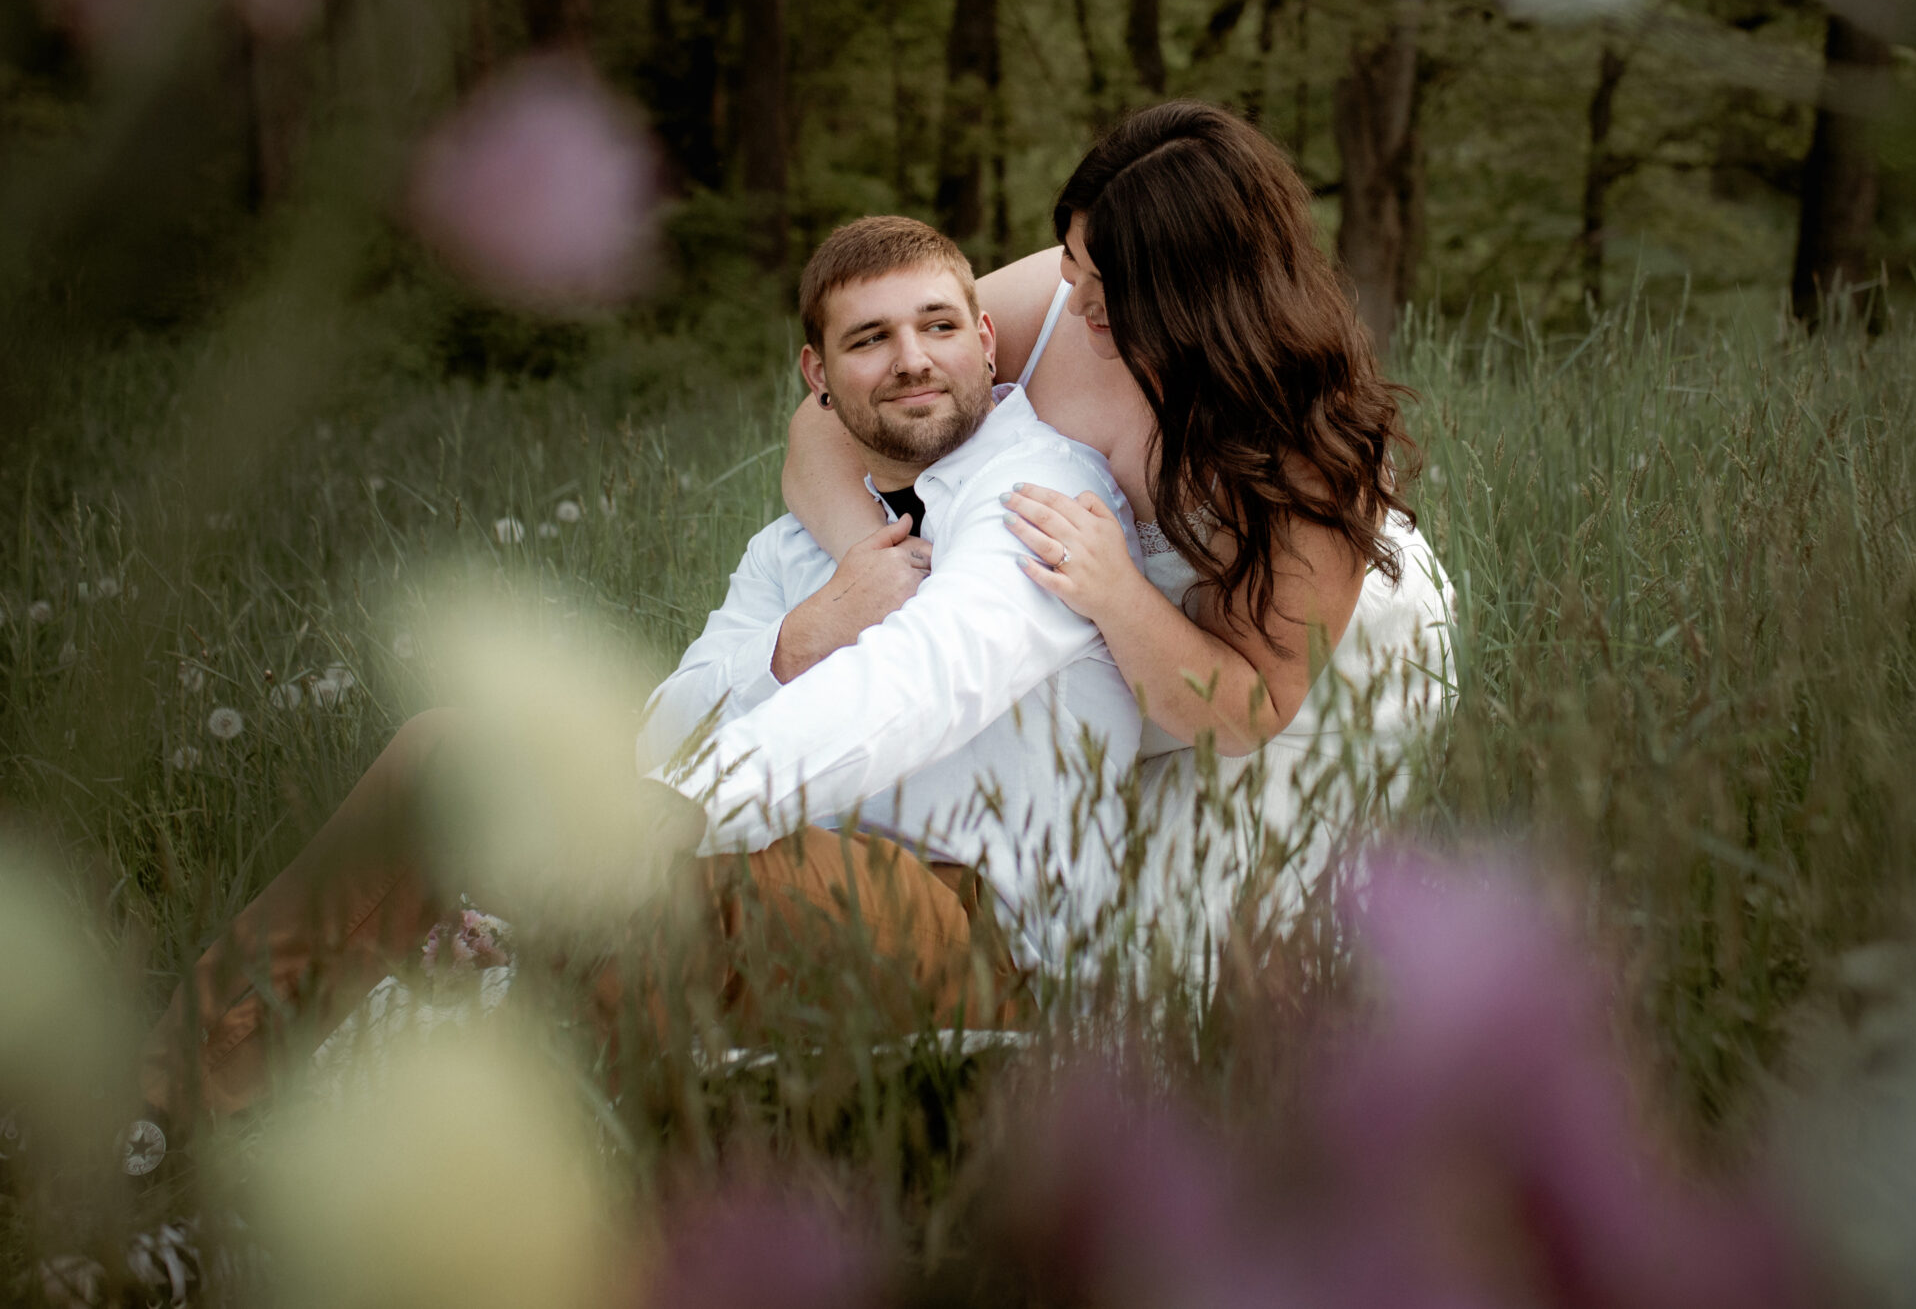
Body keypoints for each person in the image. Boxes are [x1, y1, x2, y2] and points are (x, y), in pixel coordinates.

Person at [137, 217, 1141, 1135]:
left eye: (936, 326)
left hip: (955, 925)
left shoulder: (1043, 492)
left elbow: (917, 684)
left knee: (661, 883)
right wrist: (797, 643)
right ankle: (171, 1115)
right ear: (817, 376)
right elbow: (664, 724)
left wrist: (666, 815)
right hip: (768, 869)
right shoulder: (792, 554)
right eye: (869, 338)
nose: (912, 359)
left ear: (988, 344)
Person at [783, 101, 1456, 968]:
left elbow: (1250, 708)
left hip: (1276, 702)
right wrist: (876, 565)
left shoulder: (1301, 455)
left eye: (1107, 289)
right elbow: (825, 418)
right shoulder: (1065, 299)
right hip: (1094, 691)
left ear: (1196, 297)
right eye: (1072, 262)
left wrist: (1115, 591)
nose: (1074, 299)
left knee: (1156, 982)